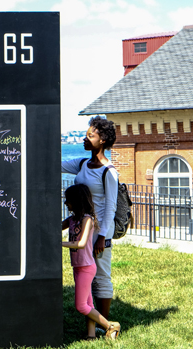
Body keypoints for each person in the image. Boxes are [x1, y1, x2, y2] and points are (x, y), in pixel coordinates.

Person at [62, 116, 118, 321]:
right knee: (85, 272)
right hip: (83, 226)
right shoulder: (82, 163)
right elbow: (56, 165)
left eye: (90, 136)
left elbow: (111, 205)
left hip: (100, 231)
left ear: (102, 139)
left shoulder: (109, 172)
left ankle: (104, 323)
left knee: (101, 275)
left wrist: (102, 236)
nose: (84, 140)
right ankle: (93, 321)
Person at [62, 184, 121, 340]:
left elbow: (81, 244)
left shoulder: (87, 220)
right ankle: (91, 335)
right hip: (77, 266)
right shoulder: (73, 219)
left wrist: (59, 243)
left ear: (77, 201)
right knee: (88, 303)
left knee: (81, 306)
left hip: (86, 267)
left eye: (68, 200)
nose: (65, 203)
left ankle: (110, 326)